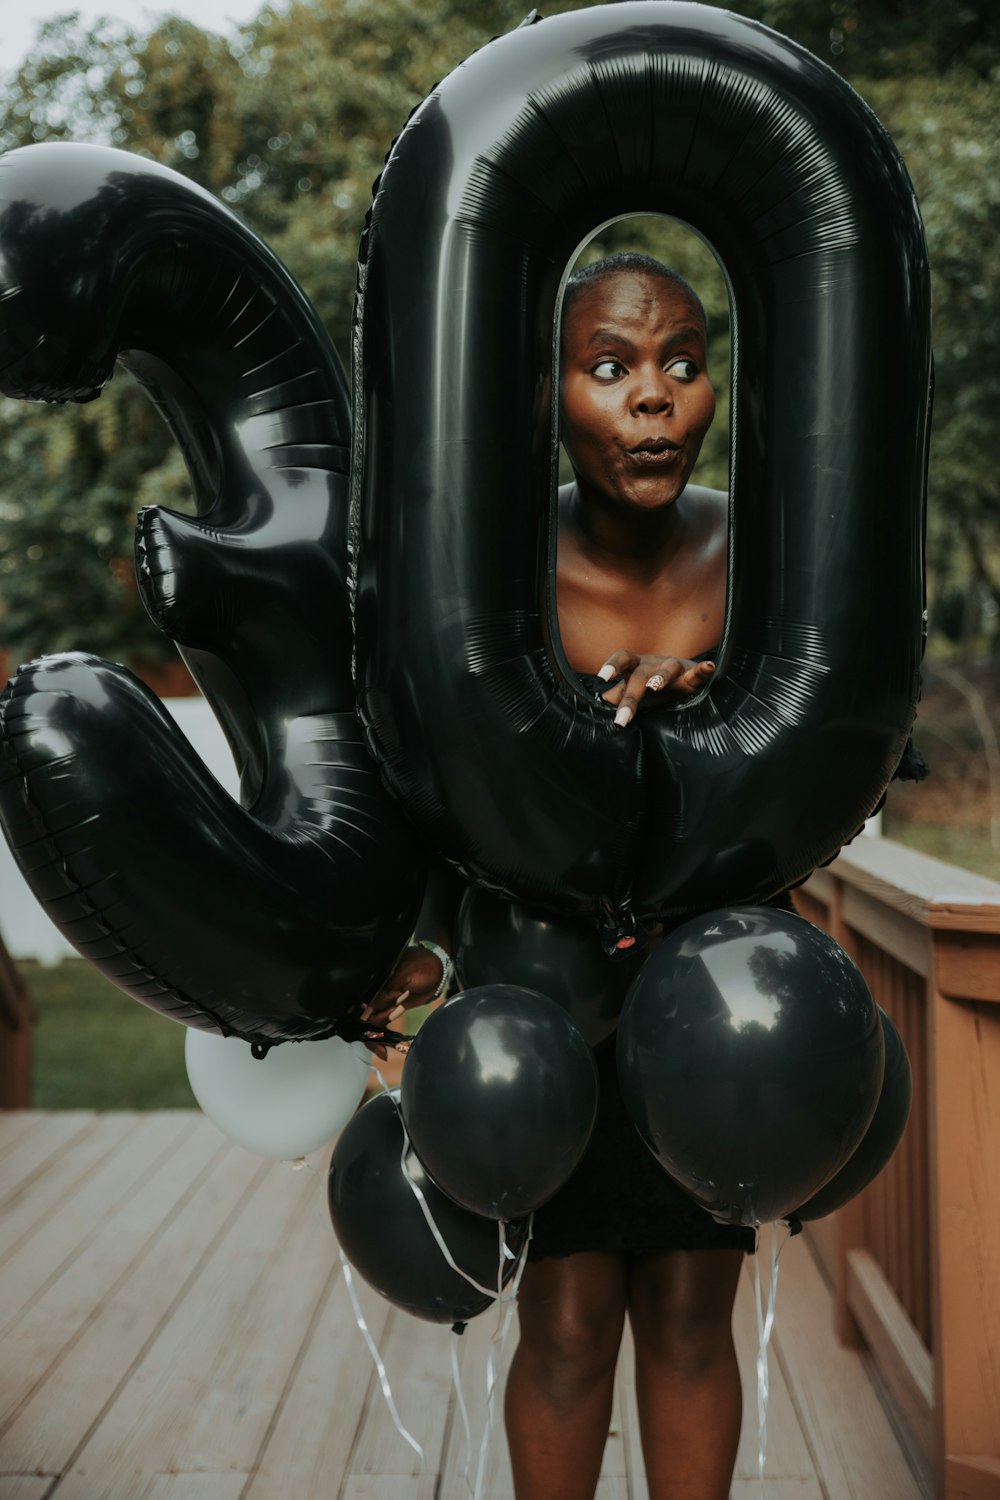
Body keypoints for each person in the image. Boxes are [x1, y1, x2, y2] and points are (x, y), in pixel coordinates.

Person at [360, 251, 759, 1500]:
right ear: (545, 397)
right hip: (542, 998)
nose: (656, 398)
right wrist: (416, 956)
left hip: (721, 1004)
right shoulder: (493, 570)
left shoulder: (768, 555)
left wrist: (722, 717)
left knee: (695, 1316)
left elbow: (830, 759)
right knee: (571, 1324)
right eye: (610, 367)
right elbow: (436, 784)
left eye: (683, 364)